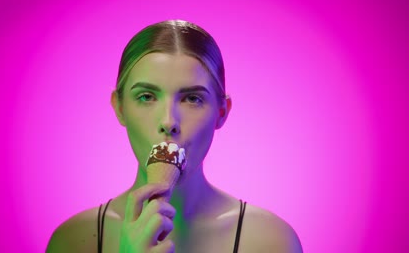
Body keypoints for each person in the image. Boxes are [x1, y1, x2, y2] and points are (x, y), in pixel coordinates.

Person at [46, 20, 302, 253]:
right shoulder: (73, 241)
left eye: (192, 98)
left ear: (221, 112)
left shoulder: (271, 241)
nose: (169, 121)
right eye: (146, 97)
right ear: (120, 108)